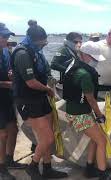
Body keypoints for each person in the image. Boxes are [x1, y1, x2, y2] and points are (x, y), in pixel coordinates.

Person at [11, 20, 68, 180]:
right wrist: (48, 89)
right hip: (28, 99)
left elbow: (43, 73)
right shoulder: (23, 54)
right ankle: (33, 166)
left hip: (40, 97)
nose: (43, 47)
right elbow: (31, 82)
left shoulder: (35, 51)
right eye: (41, 44)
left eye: (45, 44)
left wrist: (49, 82)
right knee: (47, 138)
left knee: (47, 136)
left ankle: (48, 168)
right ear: (34, 41)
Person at [63, 41, 111, 180]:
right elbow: (91, 99)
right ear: (85, 55)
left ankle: (89, 168)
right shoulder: (84, 75)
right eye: (94, 58)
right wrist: (99, 115)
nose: (96, 62)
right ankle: (103, 175)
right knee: (102, 141)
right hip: (79, 115)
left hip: (75, 111)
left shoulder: (73, 65)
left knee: (95, 139)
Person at [0, 22, 26, 180]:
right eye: (4, 36)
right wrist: (6, 84)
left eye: (8, 36)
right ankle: (1, 168)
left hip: (7, 97)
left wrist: (11, 75)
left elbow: (9, 69)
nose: (7, 39)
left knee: (13, 130)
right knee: (2, 135)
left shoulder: (5, 52)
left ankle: (9, 160)